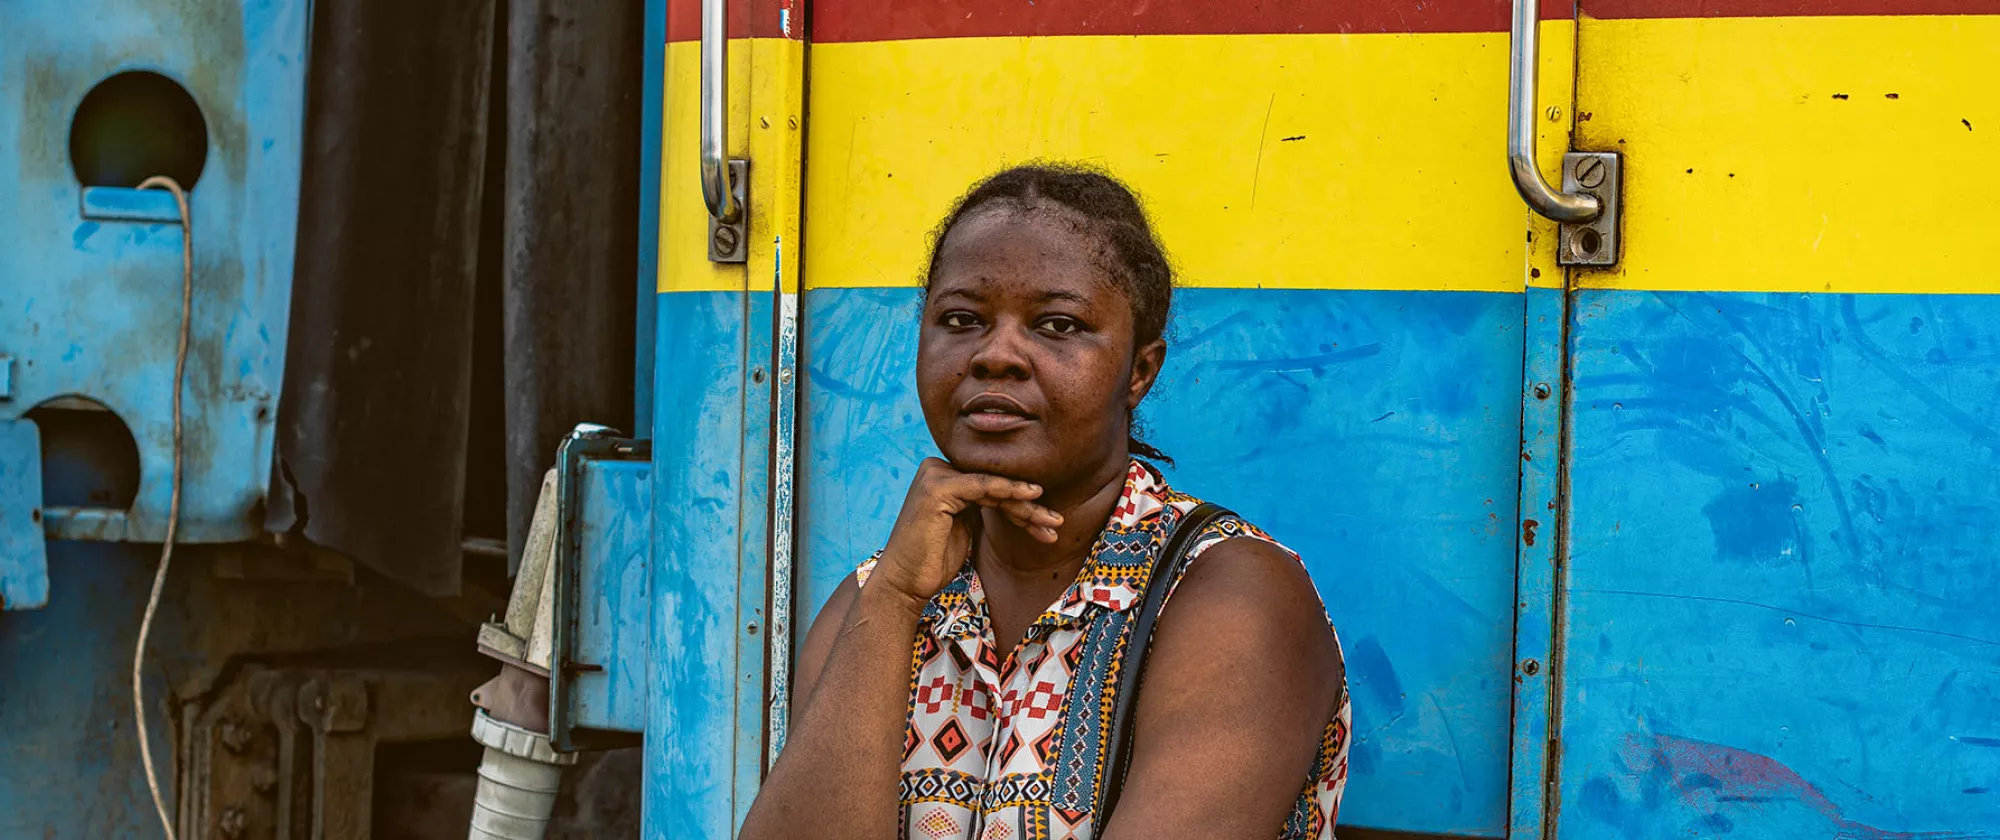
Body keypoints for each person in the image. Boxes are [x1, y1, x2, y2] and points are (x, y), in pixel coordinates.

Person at [741, 164, 1349, 840]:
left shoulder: (1227, 594)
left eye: (1057, 326)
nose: (996, 355)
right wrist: (892, 602)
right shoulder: (875, 600)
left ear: (1139, 371)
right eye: (962, 319)